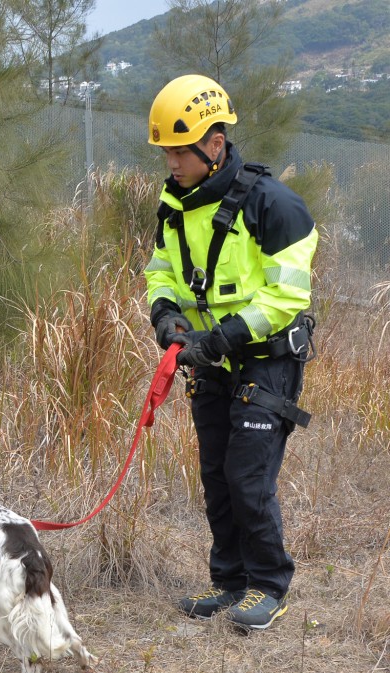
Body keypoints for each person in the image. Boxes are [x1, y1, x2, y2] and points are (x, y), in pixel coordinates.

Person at [144, 74, 317, 631]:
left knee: (247, 477)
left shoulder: (274, 204)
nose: (171, 162)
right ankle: (229, 582)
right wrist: (165, 315)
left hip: (266, 360)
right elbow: (160, 271)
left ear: (214, 144)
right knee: (217, 475)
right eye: (166, 152)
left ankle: (268, 586)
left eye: (179, 151)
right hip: (208, 361)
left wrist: (223, 338)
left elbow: (287, 296)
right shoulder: (175, 206)